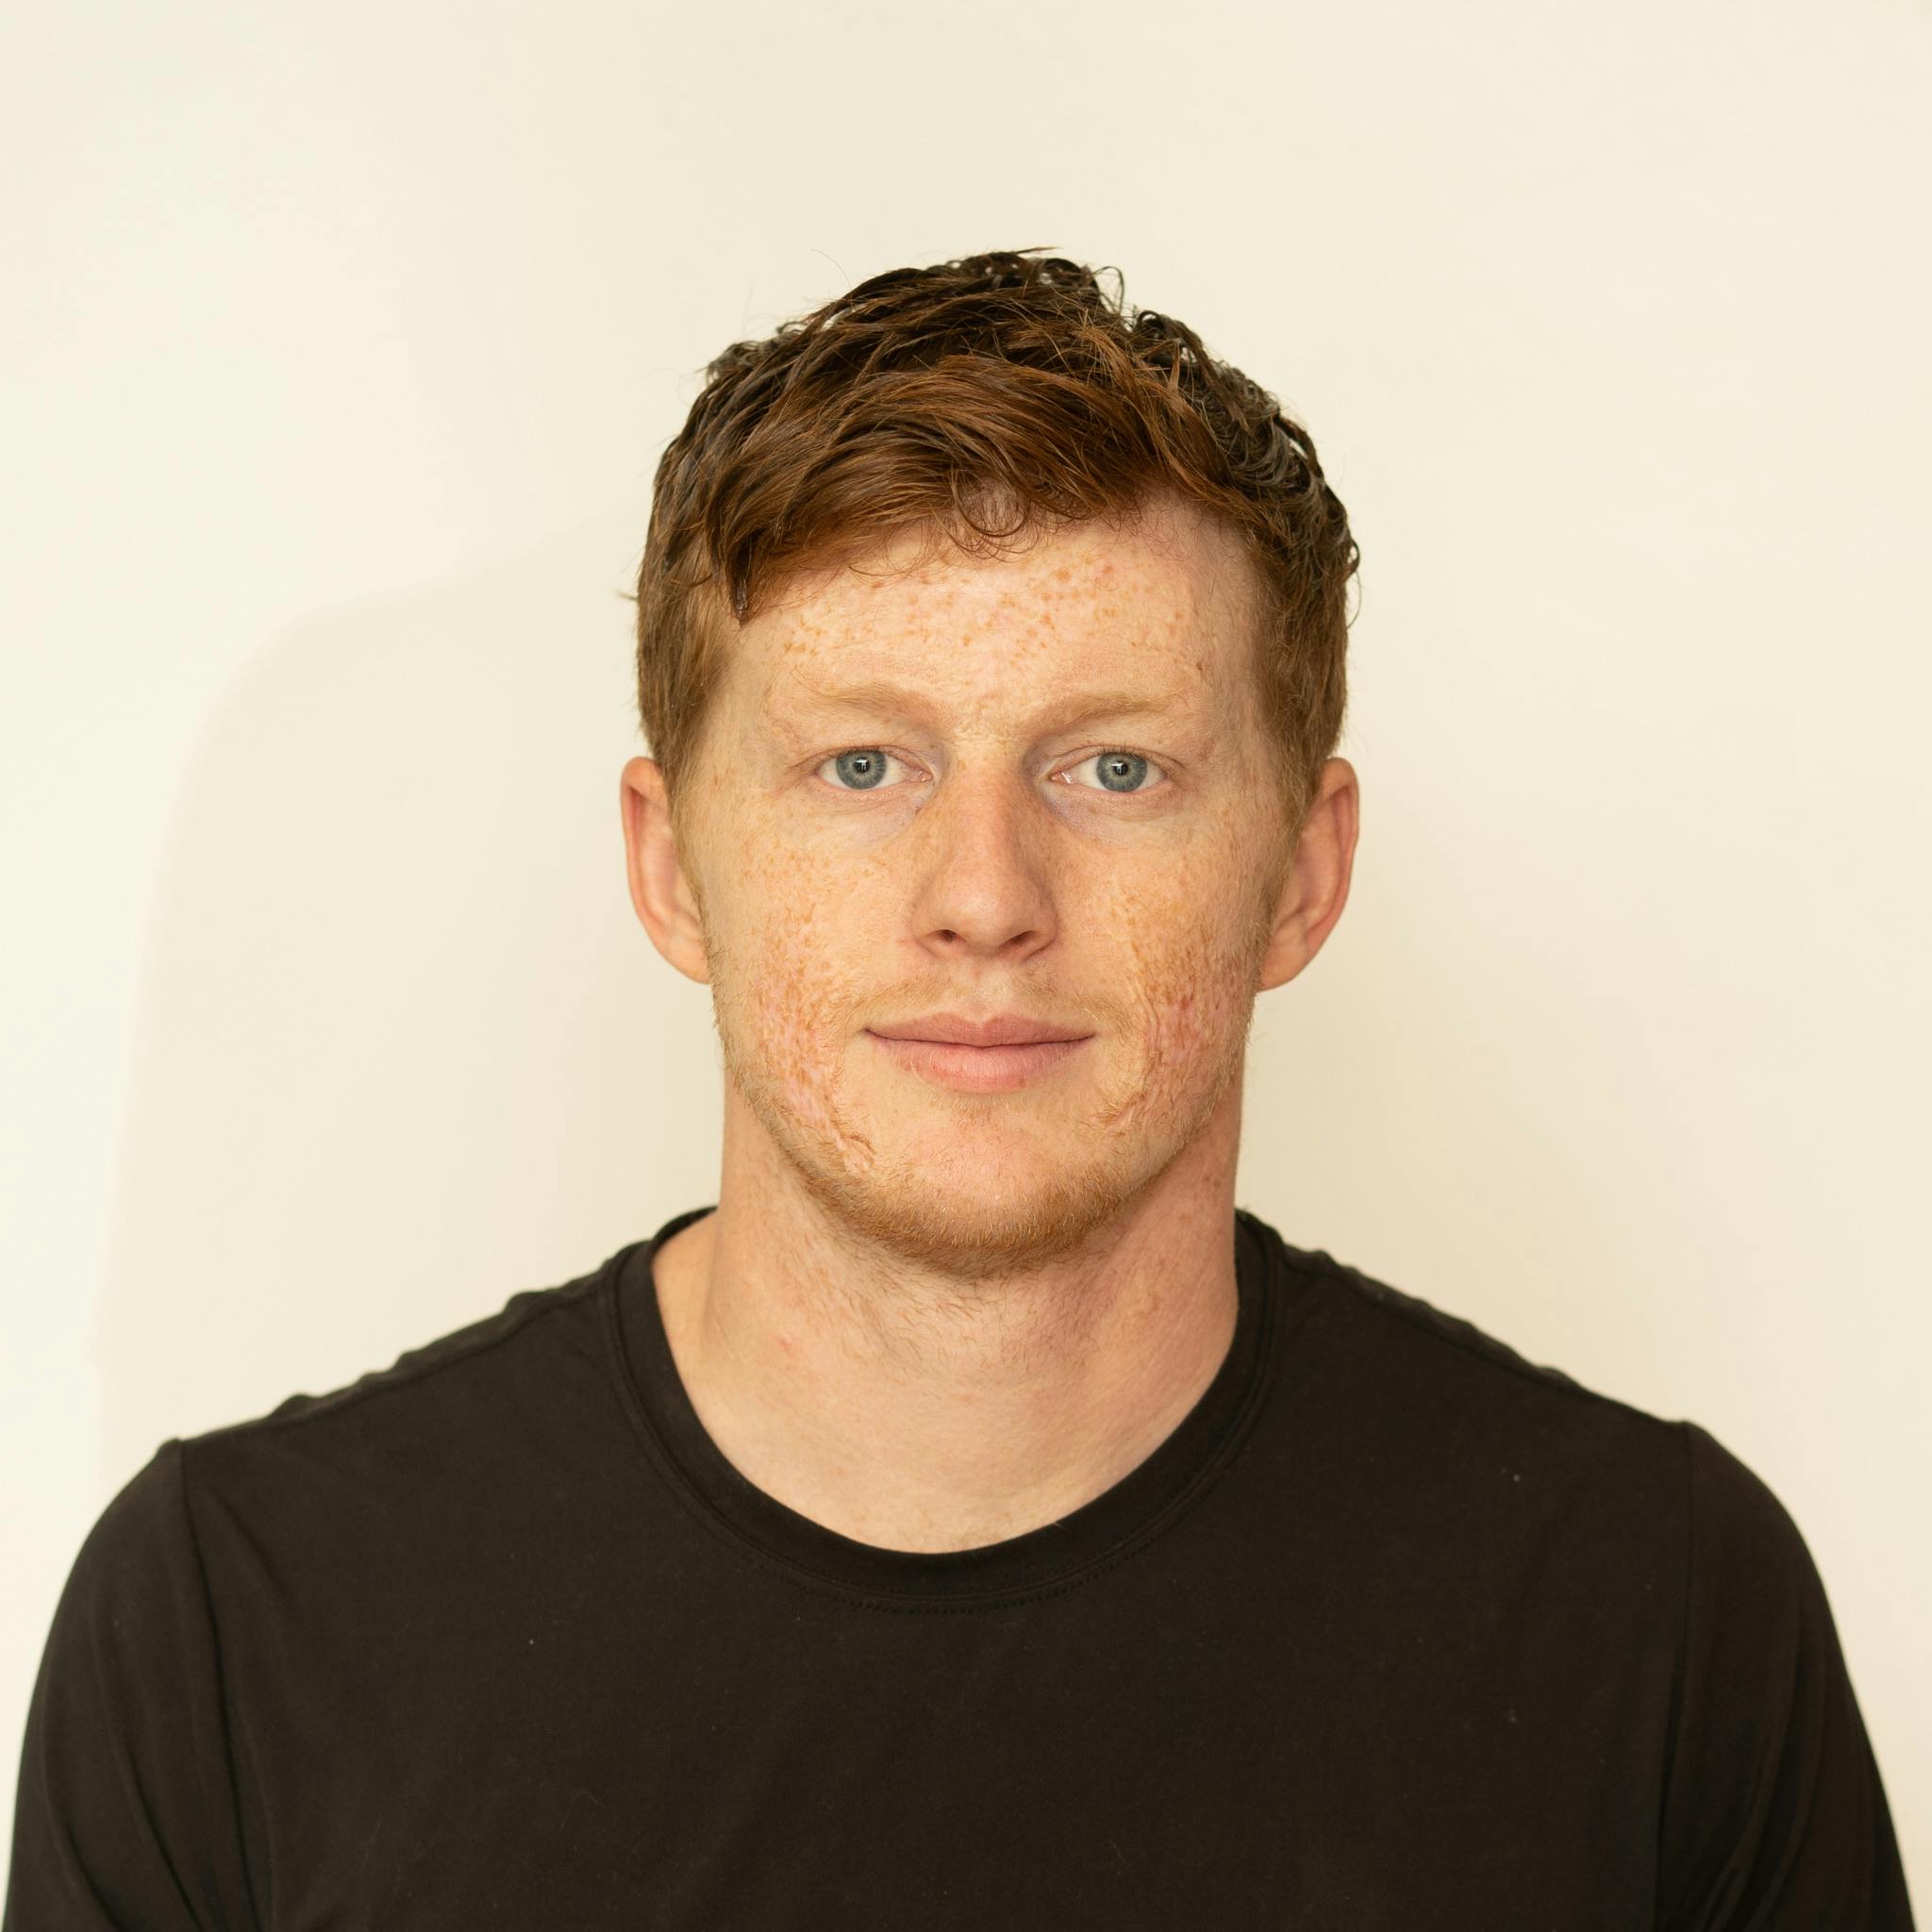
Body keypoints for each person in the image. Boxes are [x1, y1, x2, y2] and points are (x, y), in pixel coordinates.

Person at [5, 249, 1912, 1929]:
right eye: (861, 768)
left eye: (1112, 770)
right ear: (670, 864)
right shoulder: (236, 1632)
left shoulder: (1655, 1623)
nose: (985, 898)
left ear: (1305, 873)